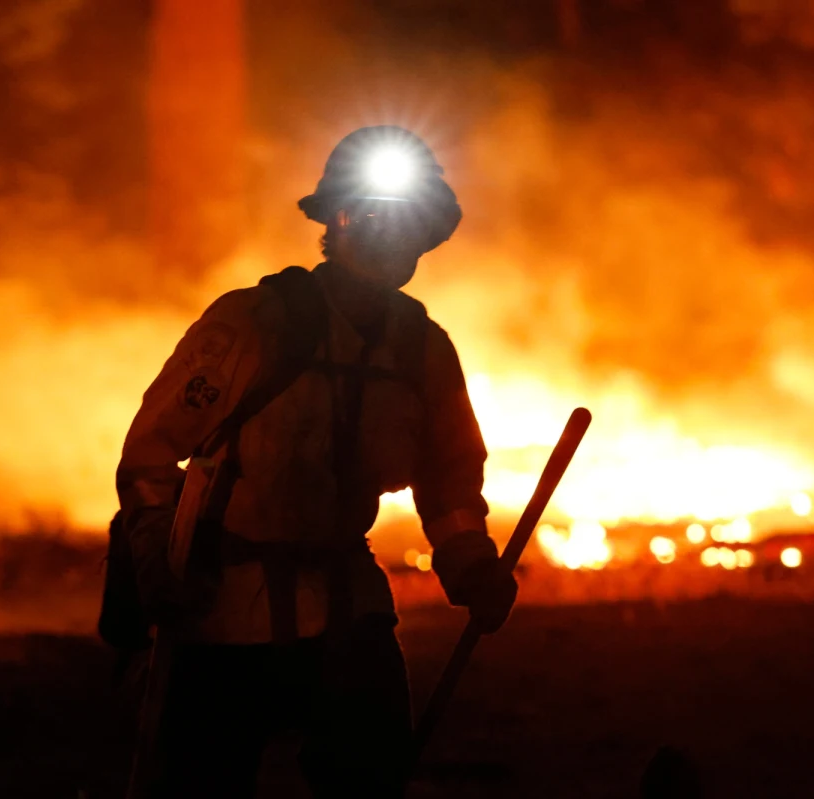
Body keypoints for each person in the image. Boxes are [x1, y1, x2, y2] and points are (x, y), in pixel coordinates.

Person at [115, 125, 517, 798]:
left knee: (371, 774)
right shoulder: (251, 324)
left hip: (345, 610)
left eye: (408, 223)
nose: (392, 236)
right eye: (373, 216)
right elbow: (151, 450)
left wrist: (470, 562)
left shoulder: (423, 349)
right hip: (221, 614)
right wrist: (158, 559)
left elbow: (448, 478)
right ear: (337, 219)